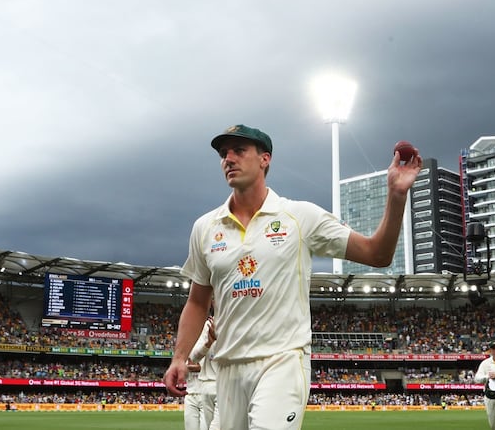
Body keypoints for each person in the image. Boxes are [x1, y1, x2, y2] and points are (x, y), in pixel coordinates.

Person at [163, 124, 422, 429]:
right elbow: (197, 302)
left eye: (239, 151)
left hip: (282, 361)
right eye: (223, 154)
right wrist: (179, 357)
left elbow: (377, 254)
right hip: (227, 367)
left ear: (265, 159)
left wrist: (396, 195)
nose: (228, 159)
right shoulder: (205, 227)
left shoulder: (300, 217)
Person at [185, 316, 219, 430]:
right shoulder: (190, 344)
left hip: (211, 387)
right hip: (191, 392)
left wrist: (195, 367)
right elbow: (191, 361)